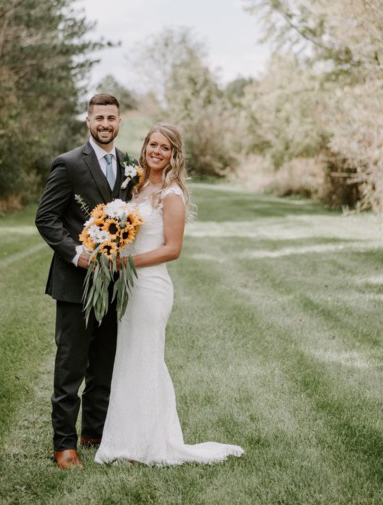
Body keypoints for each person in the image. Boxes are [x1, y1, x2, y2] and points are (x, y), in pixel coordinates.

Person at [95, 124, 244, 465]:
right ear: (145, 147)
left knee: (145, 359)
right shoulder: (137, 186)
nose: (156, 151)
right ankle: (127, 440)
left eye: (165, 147)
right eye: (152, 144)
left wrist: (125, 262)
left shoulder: (171, 195)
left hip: (151, 287)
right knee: (131, 358)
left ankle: (148, 445)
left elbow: (172, 249)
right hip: (130, 286)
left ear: (174, 154)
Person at [35, 94, 136, 469]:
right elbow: (46, 219)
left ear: (120, 121)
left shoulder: (129, 165)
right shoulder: (68, 164)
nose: (105, 124)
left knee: (104, 363)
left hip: (114, 283)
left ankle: (94, 433)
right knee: (70, 367)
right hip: (75, 283)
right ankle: (64, 445)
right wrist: (77, 254)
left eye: (111, 118)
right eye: (99, 118)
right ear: (88, 120)